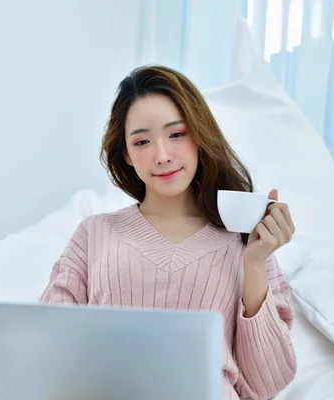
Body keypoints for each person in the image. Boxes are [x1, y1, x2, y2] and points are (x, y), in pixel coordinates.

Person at [39, 65, 297, 400]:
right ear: (127, 155)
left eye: (176, 134)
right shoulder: (94, 235)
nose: (162, 156)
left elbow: (265, 384)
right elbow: (47, 356)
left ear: (200, 136)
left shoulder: (244, 242)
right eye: (142, 141)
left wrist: (254, 263)